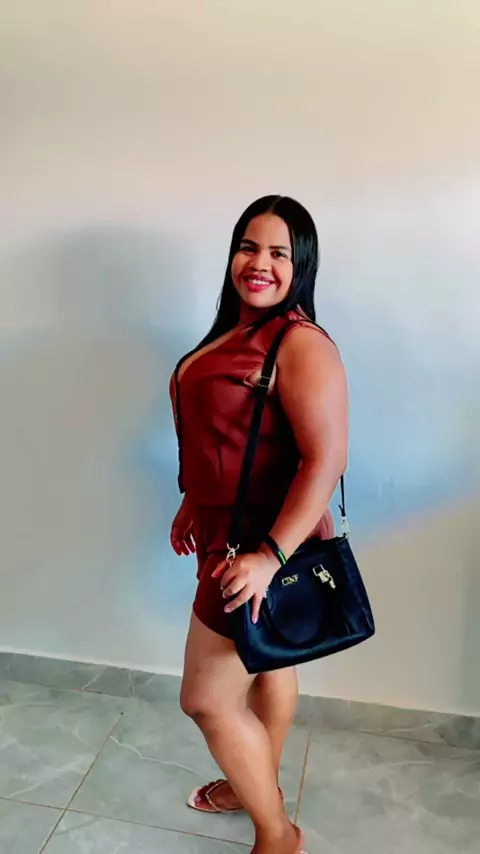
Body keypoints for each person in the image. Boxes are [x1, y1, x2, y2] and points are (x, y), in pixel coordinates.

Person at [169, 195, 348, 854]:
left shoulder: (299, 343)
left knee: (206, 698)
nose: (259, 263)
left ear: (301, 265)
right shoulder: (234, 333)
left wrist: (270, 556)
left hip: (261, 546)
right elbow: (225, 433)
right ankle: (252, 787)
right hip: (225, 533)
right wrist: (193, 500)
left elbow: (325, 460)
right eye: (248, 246)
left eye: (279, 252)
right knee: (268, 665)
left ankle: (277, 834)